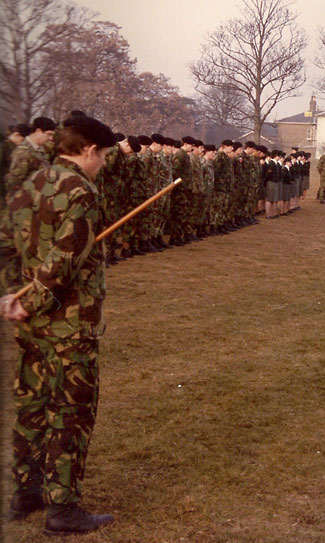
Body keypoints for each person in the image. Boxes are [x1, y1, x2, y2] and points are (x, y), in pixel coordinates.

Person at [0, 114, 116, 535]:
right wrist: (27, 300)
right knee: (70, 412)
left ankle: (24, 492)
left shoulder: (30, 183)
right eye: (102, 156)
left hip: (31, 326)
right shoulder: (81, 191)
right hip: (69, 328)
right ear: (88, 151)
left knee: (31, 408)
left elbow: (5, 244)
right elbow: (66, 259)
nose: (102, 164)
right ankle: (62, 509)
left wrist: (12, 297)